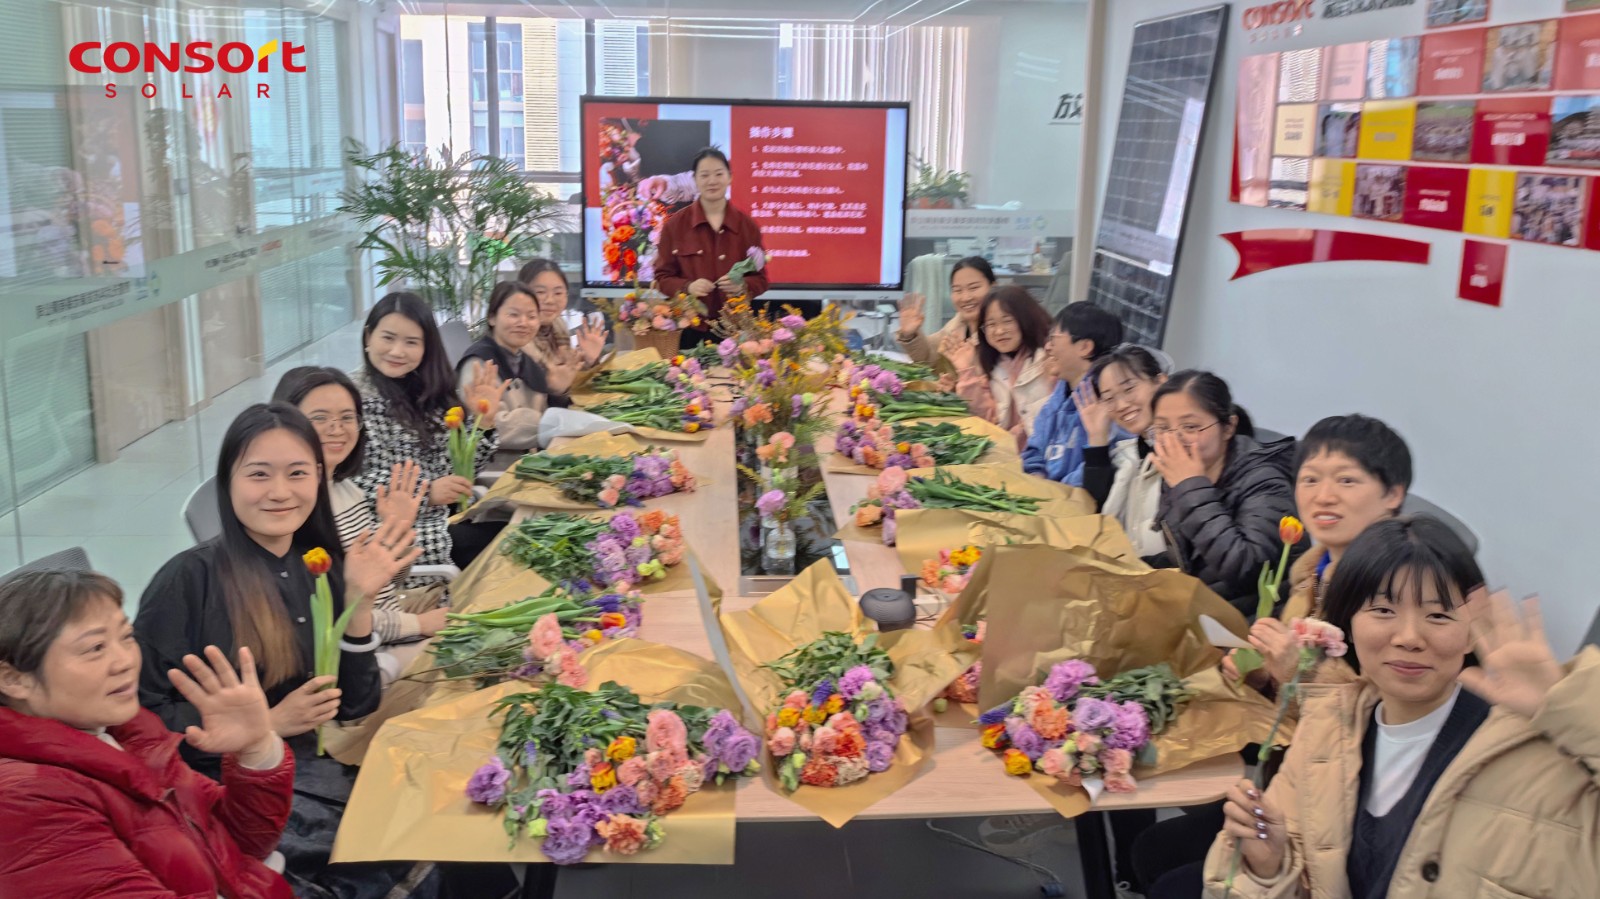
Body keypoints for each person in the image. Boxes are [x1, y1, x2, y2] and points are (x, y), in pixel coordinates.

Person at [1200, 517, 1600, 899]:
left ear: (1470, 633)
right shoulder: (1327, 725)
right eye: (1383, 610)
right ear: (1349, 623)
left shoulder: (1548, 753)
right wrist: (1269, 870)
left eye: (1438, 615)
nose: (1409, 637)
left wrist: (1571, 704)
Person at [136, 402, 423, 897]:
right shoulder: (189, 580)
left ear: (319, 478)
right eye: (259, 475)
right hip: (226, 794)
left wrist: (357, 604)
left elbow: (352, 704)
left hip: (310, 774)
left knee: (428, 823)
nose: (280, 492)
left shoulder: (315, 565)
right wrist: (268, 723)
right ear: (228, 482)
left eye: (297, 473)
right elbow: (140, 722)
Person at [0, 570, 295, 898]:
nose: (125, 661)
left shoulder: (129, 737)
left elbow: (243, 844)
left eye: (126, 636)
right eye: (96, 647)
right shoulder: (25, 800)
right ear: (14, 679)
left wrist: (255, 750)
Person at [273, 367, 446, 668]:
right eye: (320, 418)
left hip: (393, 625)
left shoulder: (346, 490)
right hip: (371, 655)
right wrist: (419, 625)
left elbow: (387, 584)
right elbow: (338, 616)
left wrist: (396, 534)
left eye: (347, 417)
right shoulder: (294, 512)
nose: (337, 429)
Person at [354, 291, 509, 572]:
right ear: (368, 338)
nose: (397, 351)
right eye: (388, 338)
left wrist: (481, 424)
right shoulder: (352, 401)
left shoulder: (426, 392)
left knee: (518, 531)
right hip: (396, 537)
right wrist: (426, 493)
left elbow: (462, 474)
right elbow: (347, 486)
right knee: (510, 544)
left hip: (446, 519)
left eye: (411, 342)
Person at [1147, 371, 1302, 614]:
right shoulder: (1184, 473)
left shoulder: (1264, 480)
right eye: (1162, 428)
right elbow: (1191, 559)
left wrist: (1190, 486)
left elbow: (1246, 569)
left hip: (1252, 630)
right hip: (1205, 616)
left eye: (1190, 427)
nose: (1174, 440)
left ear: (1228, 427)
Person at [652, 147, 768, 344]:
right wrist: (687, 287)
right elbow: (662, 278)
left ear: (730, 177)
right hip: (688, 329)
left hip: (736, 331)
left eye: (719, 174)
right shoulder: (675, 225)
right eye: (704, 175)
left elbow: (762, 280)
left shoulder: (748, 226)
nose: (712, 181)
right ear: (695, 180)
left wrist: (742, 286)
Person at [1075, 344, 1173, 558]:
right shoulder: (1130, 454)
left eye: (1129, 389)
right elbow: (1095, 509)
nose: (1121, 405)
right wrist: (1097, 438)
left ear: (1160, 382)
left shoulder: (1182, 452)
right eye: (1109, 398)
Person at [459, 279, 579, 451]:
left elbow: (547, 411)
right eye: (513, 315)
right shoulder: (478, 363)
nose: (523, 323)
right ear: (492, 318)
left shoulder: (524, 359)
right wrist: (555, 422)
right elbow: (497, 426)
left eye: (531, 316)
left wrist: (558, 392)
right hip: (499, 467)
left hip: (533, 458)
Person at [1022, 302, 1126, 486]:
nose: (1047, 347)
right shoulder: (1062, 390)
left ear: (1085, 347)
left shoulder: (1107, 401)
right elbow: (1034, 449)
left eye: (1053, 339)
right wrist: (1036, 477)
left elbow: (1092, 477)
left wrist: (1051, 493)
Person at [942, 285, 1056, 450]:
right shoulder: (993, 363)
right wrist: (966, 372)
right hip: (1004, 453)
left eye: (1007, 321)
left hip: (1040, 458)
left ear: (1026, 319)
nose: (999, 331)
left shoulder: (1049, 359)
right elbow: (987, 419)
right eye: (991, 324)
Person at [894, 256, 996, 367]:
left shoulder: (999, 331)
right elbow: (927, 357)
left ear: (993, 287)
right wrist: (910, 334)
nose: (966, 297)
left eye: (973, 288)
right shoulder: (956, 326)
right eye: (957, 290)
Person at [516, 259, 606, 376]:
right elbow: (552, 383)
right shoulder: (518, 334)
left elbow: (568, 375)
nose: (550, 300)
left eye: (558, 293)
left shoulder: (558, 324)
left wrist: (589, 359)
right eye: (540, 292)